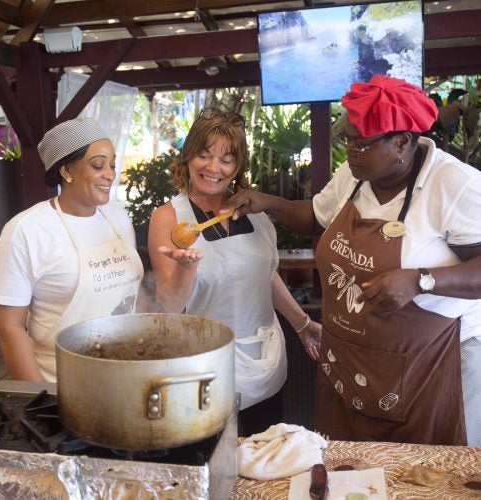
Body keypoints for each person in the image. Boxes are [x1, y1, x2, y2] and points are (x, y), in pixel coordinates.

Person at [222, 75, 481, 447]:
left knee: (432, 469)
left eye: (362, 145)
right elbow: (314, 216)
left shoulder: (455, 185)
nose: (351, 153)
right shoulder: (355, 174)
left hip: (433, 360)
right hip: (356, 358)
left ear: (402, 143)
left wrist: (420, 280)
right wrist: (268, 202)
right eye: (348, 140)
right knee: (353, 464)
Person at [148, 107, 321, 437]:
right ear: (187, 158)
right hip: (203, 368)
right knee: (215, 464)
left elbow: (265, 275)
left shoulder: (254, 212)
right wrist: (186, 269)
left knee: (266, 454)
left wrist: (302, 323)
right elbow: (169, 306)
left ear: (238, 166)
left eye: (226, 159)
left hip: (262, 360)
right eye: (204, 155)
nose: (213, 168)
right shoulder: (169, 217)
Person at [0, 118, 144, 383]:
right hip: (61, 386)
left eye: (112, 165)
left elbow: (131, 299)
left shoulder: (118, 218)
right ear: (67, 171)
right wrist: (38, 401)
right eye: (98, 165)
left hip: (127, 377)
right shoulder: (26, 231)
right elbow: (8, 327)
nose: (110, 174)